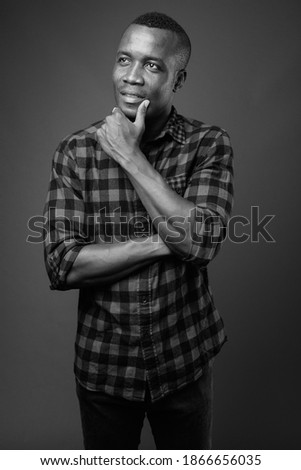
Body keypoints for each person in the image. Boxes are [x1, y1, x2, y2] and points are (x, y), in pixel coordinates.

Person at [43, 11, 234, 450]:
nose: (131, 77)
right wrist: (169, 239)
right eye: (123, 60)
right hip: (104, 369)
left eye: (151, 65)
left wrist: (129, 155)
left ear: (178, 79)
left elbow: (201, 243)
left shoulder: (209, 144)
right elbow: (62, 266)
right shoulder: (75, 152)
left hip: (185, 361)